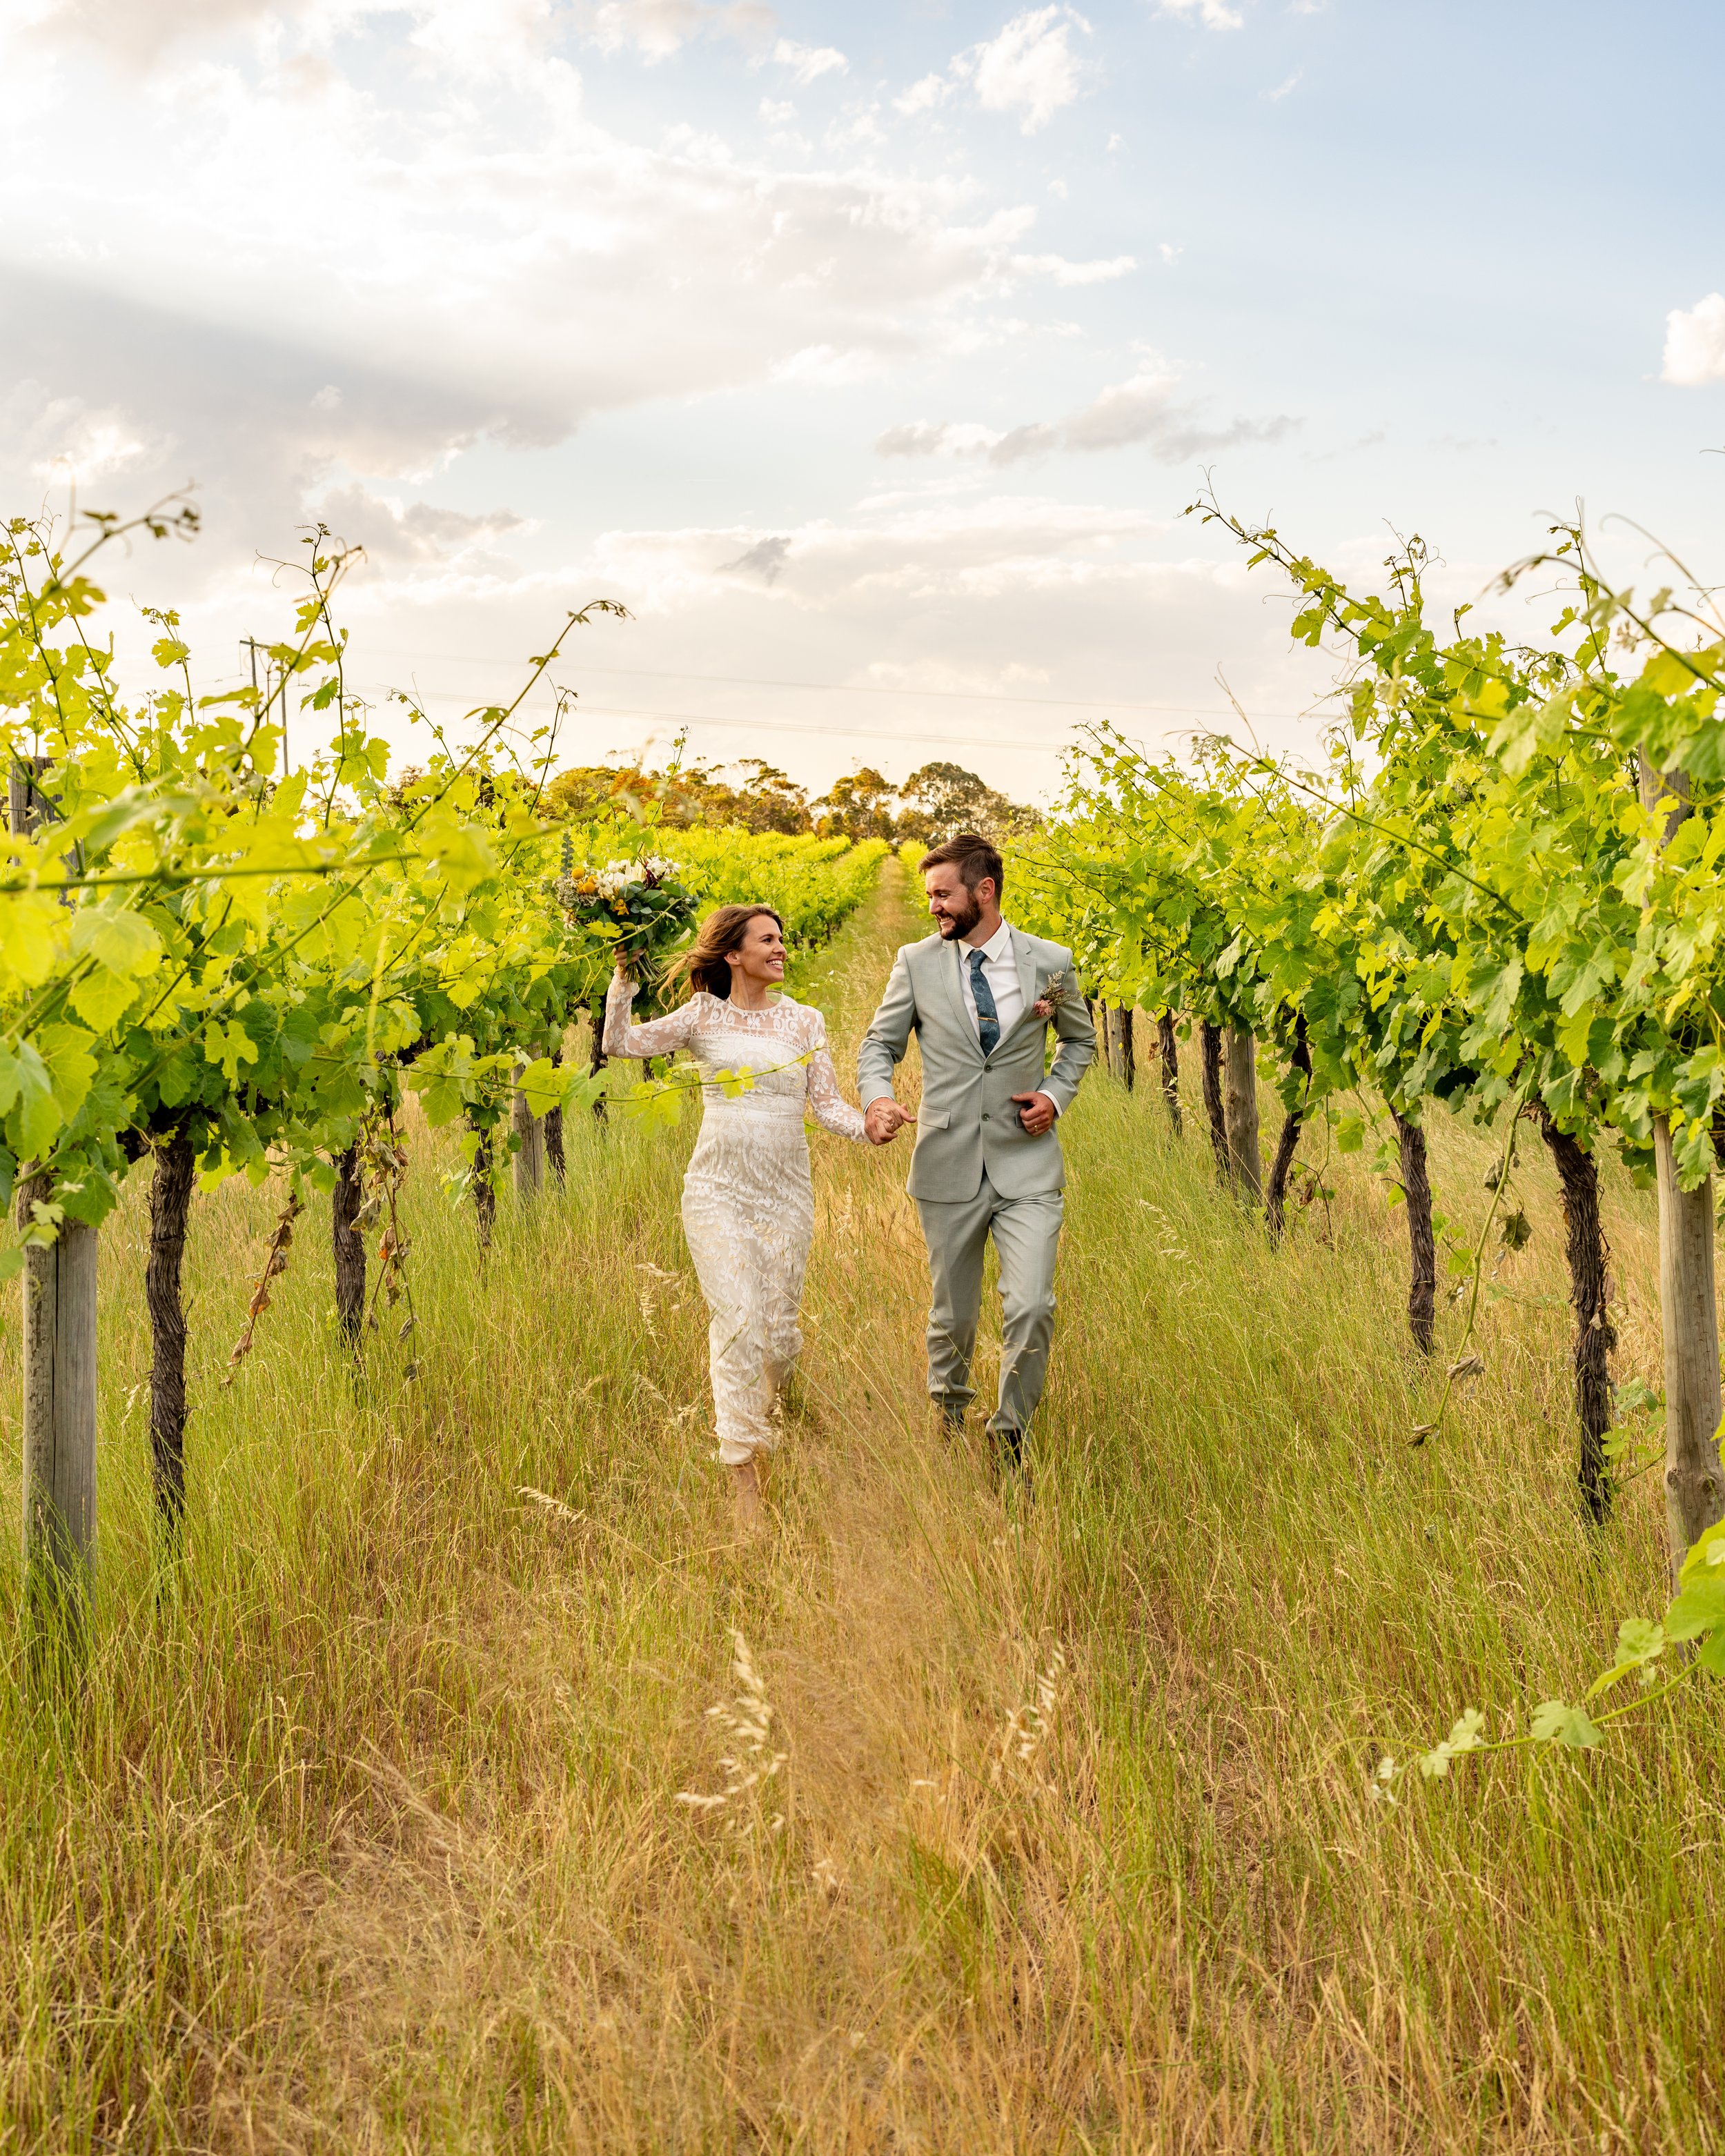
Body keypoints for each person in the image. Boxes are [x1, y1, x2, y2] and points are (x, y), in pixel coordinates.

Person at [604, 905, 867, 1526]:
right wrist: (623, 979)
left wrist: (871, 1126)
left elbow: (827, 1105)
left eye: (782, 939)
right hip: (718, 1190)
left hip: (786, 1195)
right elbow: (621, 1043)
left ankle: (764, 1411)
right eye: (767, 940)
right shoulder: (702, 1015)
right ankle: (744, 1476)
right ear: (733, 954)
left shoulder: (806, 1020)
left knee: (777, 1337)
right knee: (739, 1322)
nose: (781, 948)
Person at [858, 832, 1095, 1466]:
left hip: (1027, 1163)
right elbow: (878, 1048)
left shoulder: (1051, 962)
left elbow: (1079, 1042)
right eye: (928, 895)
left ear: (983, 891)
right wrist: (877, 1099)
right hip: (946, 1160)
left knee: (1032, 1304)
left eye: (942, 894)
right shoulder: (915, 961)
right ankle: (949, 1410)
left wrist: (1055, 1095)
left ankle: (1011, 1432)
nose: (933, 906)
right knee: (953, 1316)